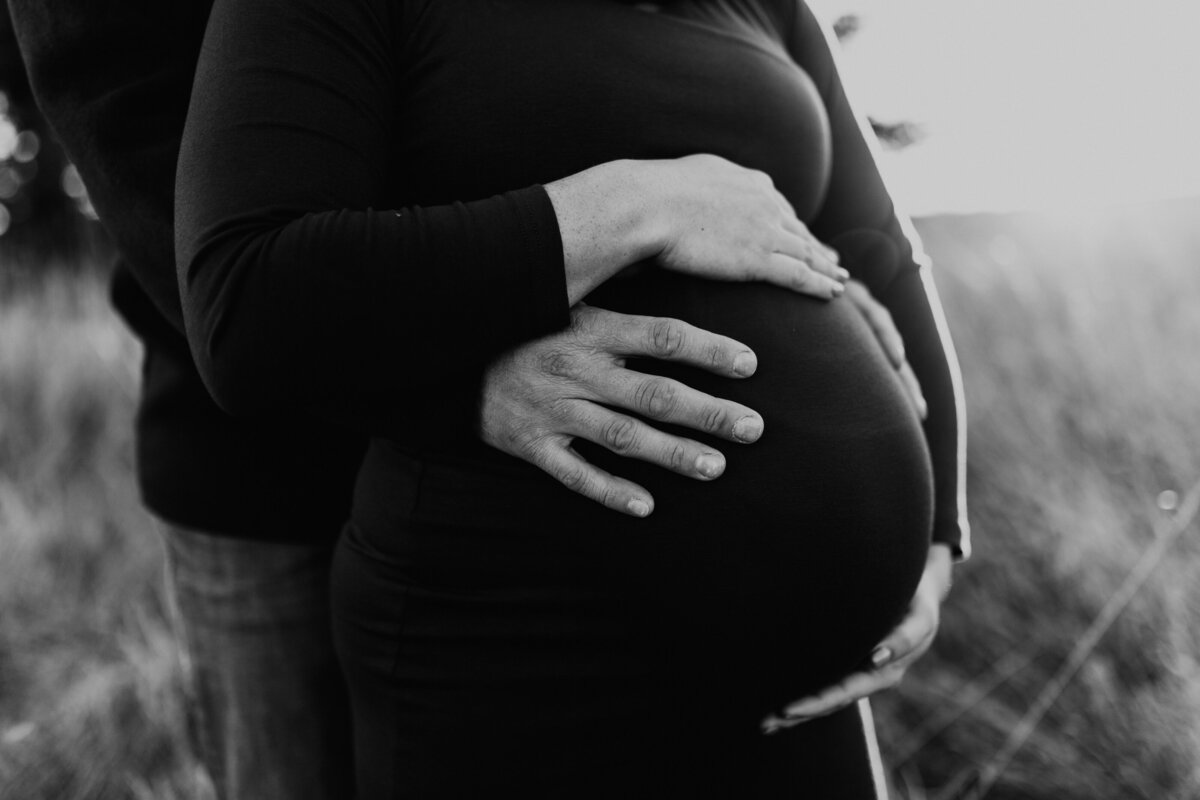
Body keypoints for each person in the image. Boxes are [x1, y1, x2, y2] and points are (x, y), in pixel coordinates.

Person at [8, 0, 949, 797]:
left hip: (783, 676)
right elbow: (212, 238)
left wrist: (934, 530)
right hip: (329, 506)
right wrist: (458, 373)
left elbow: (871, 232)